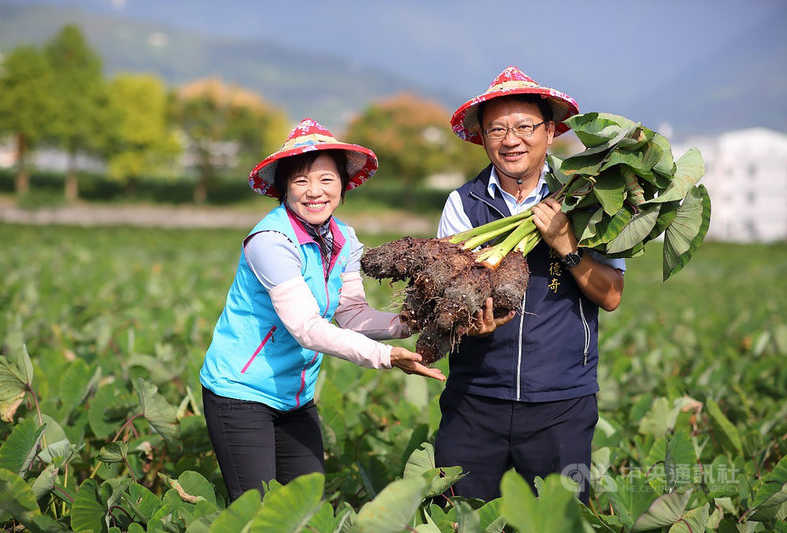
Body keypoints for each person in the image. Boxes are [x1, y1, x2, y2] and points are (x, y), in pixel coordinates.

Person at [200, 118, 445, 501]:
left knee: (305, 505)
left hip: (296, 396)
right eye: (300, 181)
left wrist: (409, 323)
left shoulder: (344, 238)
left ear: (343, 186)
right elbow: (307, 329)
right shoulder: (271, 241)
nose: (314, 191)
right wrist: (384, 357)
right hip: (241, 392)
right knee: (255, 512)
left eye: (326, 180)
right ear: (284, 189)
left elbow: (351, 313)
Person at [434, 66, 626, 504]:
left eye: (524, 126)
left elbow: (611, 295)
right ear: (482, 137)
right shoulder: (463, 204)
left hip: (561, 400)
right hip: (475, 397)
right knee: (461, 516)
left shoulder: (587, 199)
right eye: (496, 129)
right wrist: (466, 324)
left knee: (557, 522)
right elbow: (450, 296)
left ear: (550, 132)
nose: (511, 139)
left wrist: (566, 244)